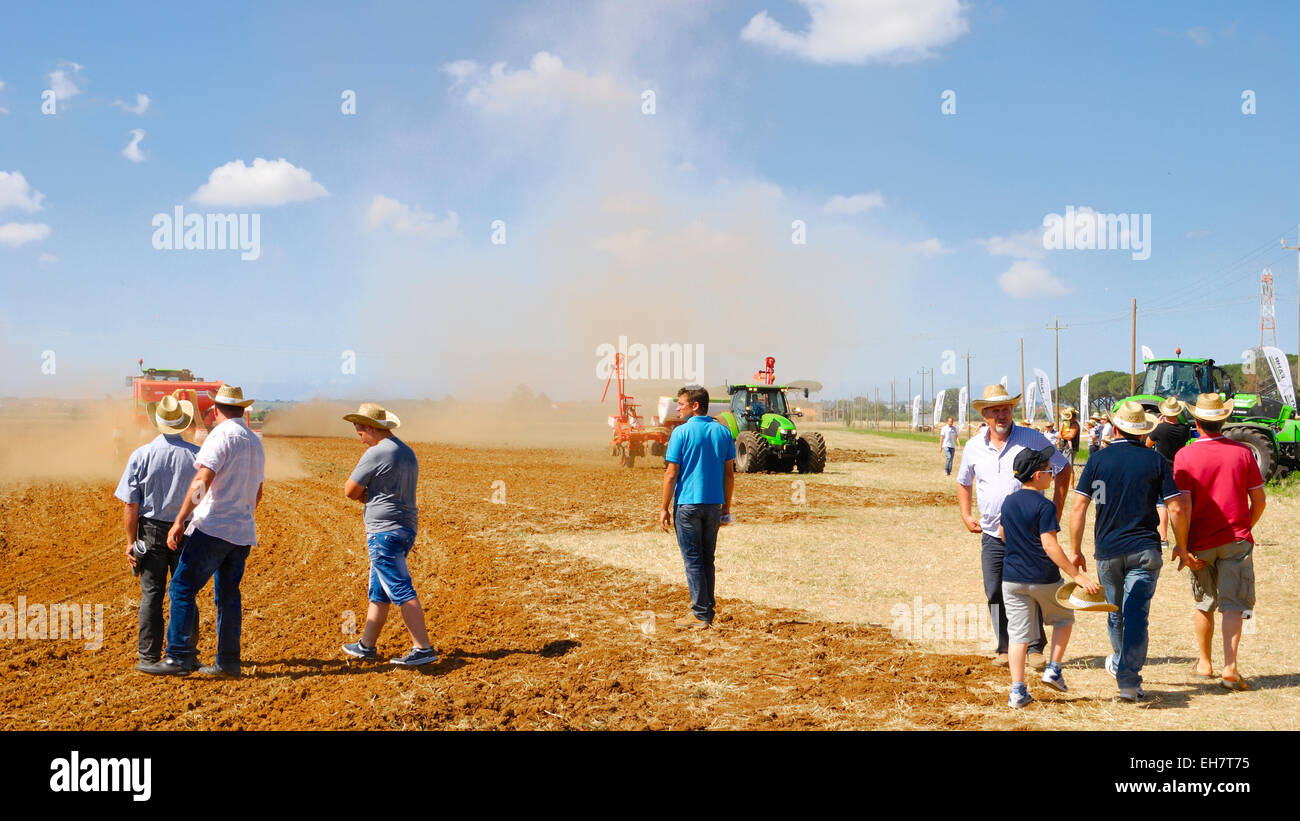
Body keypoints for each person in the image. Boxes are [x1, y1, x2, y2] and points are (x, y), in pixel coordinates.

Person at [139, 385, 265, 678]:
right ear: (243, 410)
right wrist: (243, 515)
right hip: (242, 531)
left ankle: (178, 657)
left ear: (217, 410)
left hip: (213, 527)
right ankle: (228, 663)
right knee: (228, 596)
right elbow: (258, 491)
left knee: (182, 587)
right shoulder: (254, 442)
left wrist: (181, 519)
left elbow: (202, 480)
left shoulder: (220, 436)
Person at [1070, 402, 1187, 702]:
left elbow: (1080, 507)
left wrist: (1075, 550)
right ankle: (1128, 680)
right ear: (1142, 431)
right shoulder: (1156, 461)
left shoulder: (1098, 460)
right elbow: (1174, 506)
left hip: (1107, 550)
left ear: (1116, 428)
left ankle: (1121, 664)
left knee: (1115, 614)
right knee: (1137, 616)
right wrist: (1182, 546)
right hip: (1145, 549)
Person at [956, 384, 1073, 669]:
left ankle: (1034, 648)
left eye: (1006, 409)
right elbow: (963, 481)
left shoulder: (1033, 438)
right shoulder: (973, 447)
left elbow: (1064, 469)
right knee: (995, 589)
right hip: (992, 533)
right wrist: (966, 513)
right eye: (995, 410)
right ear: (984, 414)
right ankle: (1005, 647)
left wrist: (1055, 509)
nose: (1002, 415)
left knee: (1031, 587)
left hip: (1029, 534)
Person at [1171, 394, 1266, 691]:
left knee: (1204, 604)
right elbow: (1259, 501)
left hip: (1199, 542)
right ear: (1223, 421)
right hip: (1235, 540)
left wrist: (1182, 545)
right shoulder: (1243, 453)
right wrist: (1244, 529)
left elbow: (1183, 507)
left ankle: (1204, 663)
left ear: (1196, 422)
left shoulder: (1184, 456)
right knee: (1233, 605)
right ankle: (1230, 667)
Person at [998, 446, 1100, 707]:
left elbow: (1002, 534)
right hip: (1043, 577)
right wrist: (1077, 576)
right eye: (1048, 470)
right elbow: (1049, 545)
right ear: (1035, 475)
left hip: (1012, 579)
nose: (1052, 474)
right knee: (1064, 619)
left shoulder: (1009, 500)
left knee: (1018, 636)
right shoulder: (1045, 506)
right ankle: (1054, 668)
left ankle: (1017, 691)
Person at [339, 403, 437, 666]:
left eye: (360, 433)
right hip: (406, 527)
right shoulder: (407, 452)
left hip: (384, 532)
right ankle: (366, 645)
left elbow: (350, 490)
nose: (361, 439)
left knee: (400, 589)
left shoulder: (377, 452)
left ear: (370, 428)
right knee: (379, 591)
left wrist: (366, 498)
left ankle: (423, 648)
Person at [115, 393, 202, 673]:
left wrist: (131, 543)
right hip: (185, 531)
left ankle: (148, 655)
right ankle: (185, 653)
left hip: (150, 532)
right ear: (183, 423)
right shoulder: (196, 456)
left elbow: (131, 503)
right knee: (184, 594)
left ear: (157, 423)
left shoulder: (141, 455)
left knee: (152, 594)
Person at [659, 385, 736, 629]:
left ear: (695, 406)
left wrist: (663, 507)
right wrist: (726, 508)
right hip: (714, 505)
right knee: (707, 558)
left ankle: (700, 614)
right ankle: (706, 610)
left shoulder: (680, 433)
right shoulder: (723, 432)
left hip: (688, 506)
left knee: (693, 560)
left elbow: (671, 475)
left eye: (681, 403)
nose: (678, 407)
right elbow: (730, 475)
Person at [1145, 396, 1190, 548]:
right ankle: (1182, 537)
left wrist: (1159, 423)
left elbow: (1147, 444)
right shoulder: (1185, 430)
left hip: (1162, 467)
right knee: (1177, 505)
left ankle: (1163, 538)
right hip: (1179, 468)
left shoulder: (1160, 429)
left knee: (1161, 504)